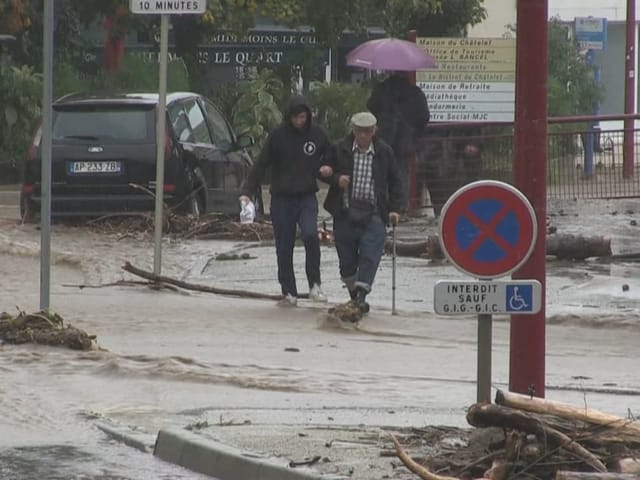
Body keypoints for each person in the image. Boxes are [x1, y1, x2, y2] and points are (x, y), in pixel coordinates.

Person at [240, 95, 331, 307]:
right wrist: (247, 191)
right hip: (281, 199)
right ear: (289, 116)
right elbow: (260, 165)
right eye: (296, 117)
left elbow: (332, 154)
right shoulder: (277, 137)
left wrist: (327, 168)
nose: (300, 121)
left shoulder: (317, 135)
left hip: (307, 197)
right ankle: (288, 291)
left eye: (303, 117)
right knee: (284, 245)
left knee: (310, 235)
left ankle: (315, 285)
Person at [320, 112, 404, 314]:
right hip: (345, 212)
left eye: (368, 132)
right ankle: (355, 300)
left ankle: (360, 298)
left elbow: (396, 181)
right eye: (359, 132)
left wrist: (395, 209)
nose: (363, 136)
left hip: (374, 213)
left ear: (374, 131)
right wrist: (334, 178)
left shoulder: (384, 152)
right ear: (353, 130)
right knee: (346, 261)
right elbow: (322, 169)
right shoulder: (340, 149)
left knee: (370, 255)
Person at [366, 72, 430, 209]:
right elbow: (424, 116)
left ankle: (381, 205)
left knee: (381, 172)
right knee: (402, 173)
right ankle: (400, 208)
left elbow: (371, 106)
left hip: (383, 137)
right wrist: (415, 131)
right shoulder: (415, 92)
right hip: (406, 139)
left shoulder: (381, 89)